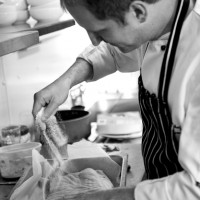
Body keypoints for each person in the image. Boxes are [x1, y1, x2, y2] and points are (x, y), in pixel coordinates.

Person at [32, 0, 200, 199]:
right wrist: (66, 81)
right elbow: (113, 52)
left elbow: (193, 189)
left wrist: (102, 197)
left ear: (138, 12)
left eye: (101, 31)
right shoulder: (159, 23)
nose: (95, 41)